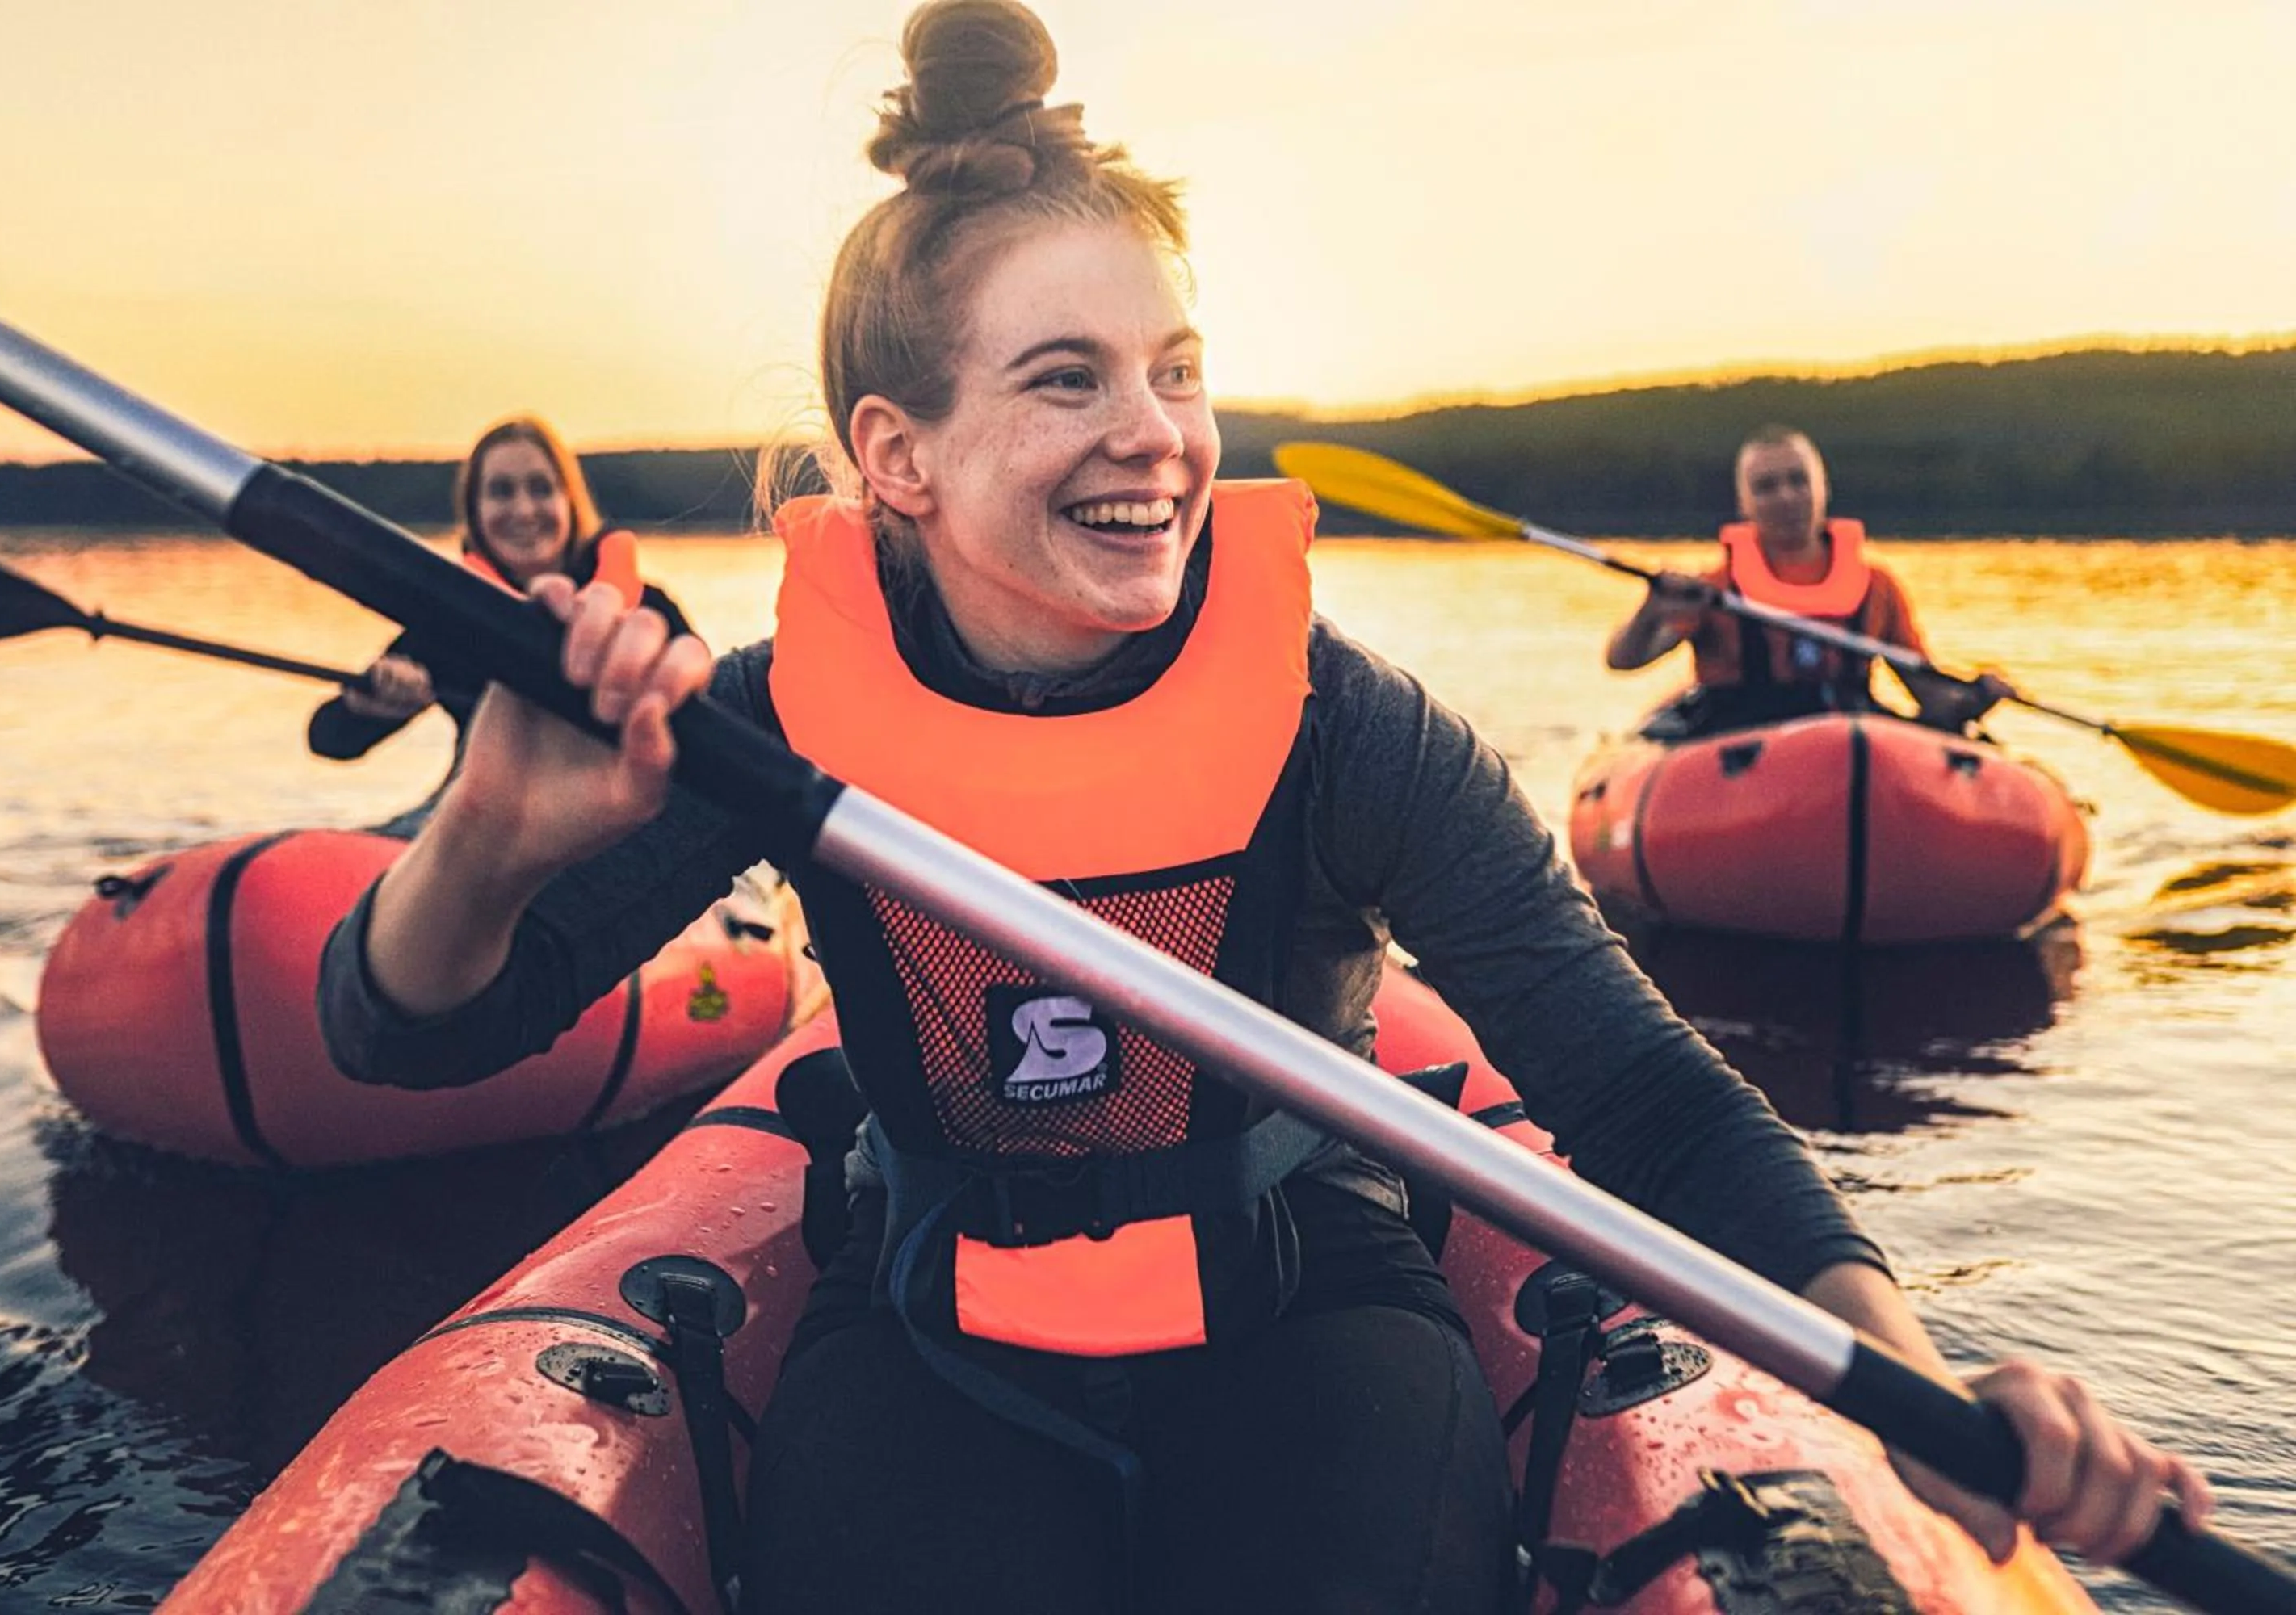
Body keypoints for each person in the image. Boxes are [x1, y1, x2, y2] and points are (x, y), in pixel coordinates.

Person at [316, 6, 2208, 1609]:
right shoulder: (770, 722)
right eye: (1066, 379)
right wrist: (486, 834)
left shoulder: (1342, 723)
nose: (1154, 434)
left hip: (1306, 1302)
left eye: (1176, 370)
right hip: (927, 1309)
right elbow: (406, 1034)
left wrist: (1910, 1375)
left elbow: (1637, 1089)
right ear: (896, 453)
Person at [305, 414, 691, 833]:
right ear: (475, 511)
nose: (523, 510)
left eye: (541, 489)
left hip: (618, 820)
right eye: (501, 492)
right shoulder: (451, 619)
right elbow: (329, 738)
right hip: (481, 823)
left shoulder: (647, 612)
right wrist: (370, 701)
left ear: (570, 501)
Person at [1604, 425, 2011, 736]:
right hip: (1738, 742)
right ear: (1744, 504)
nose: (1785, 497)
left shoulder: (1876, 587)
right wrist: (1650, 611)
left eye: (1798, 481)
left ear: (1822, 489)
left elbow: (1931, 698)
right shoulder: (1717, 589)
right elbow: (1623, 660)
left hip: (1849, 733)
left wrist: (1975, 700)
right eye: (1766, 487)